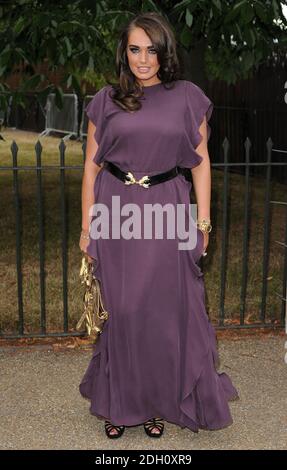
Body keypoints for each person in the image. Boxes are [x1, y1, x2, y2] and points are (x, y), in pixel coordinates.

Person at [79, 11, 239, 439]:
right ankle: (121, 401)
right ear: (124, 52)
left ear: (165, 52)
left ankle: (156, 402)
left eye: (151, 49)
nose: (143, 59)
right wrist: (86, 226)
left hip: (168, 211)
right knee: (125, 310)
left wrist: (203, 222)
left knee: (163, 313)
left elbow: (201, 164)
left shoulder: (187, 96)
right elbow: (91, 172)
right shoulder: (106, 99)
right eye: (135, 49)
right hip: (116, 212)